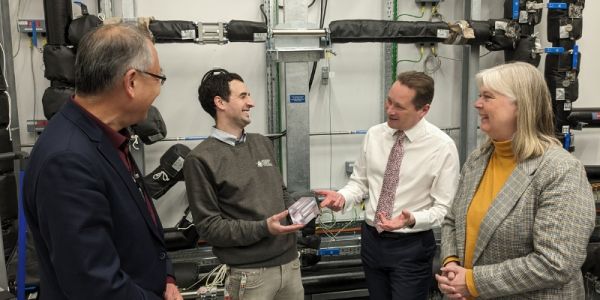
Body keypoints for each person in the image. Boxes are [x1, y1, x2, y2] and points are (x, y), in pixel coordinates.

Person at [23, 24, 182, 300]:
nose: (159, 89)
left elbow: (141, 225)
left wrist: (166, 277)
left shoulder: (107, 136)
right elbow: (93, 285)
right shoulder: (67, 160)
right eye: (159, 77)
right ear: (131, 82)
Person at [436, 62, 595, 299]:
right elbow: (452, 220)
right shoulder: (478, 159)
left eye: (487, 97)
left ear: (521, 106)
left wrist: (471, 281)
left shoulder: (559, 170)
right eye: (480, 95)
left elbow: (555, 262)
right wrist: (451, 266)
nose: (477, 104)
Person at [318, 71, 460, 299]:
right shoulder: (375, 135)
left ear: (423, 110)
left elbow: (445, 209)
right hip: (372, 241)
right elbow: (360, 183)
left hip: (411, 246)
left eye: (400, 106)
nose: (390, 110)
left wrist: (412, 219)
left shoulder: (442, 147)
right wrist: (343, 197)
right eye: (389, 101)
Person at [183, 69, 305, 300]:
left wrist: (304, 210)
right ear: (219, 102)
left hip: (290, 266)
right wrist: (263, 228)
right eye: (243, 96)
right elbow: (210, 227)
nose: (251, 102)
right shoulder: (200, 159)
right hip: (250, 276)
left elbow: (280, 192)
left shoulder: (262, 143)